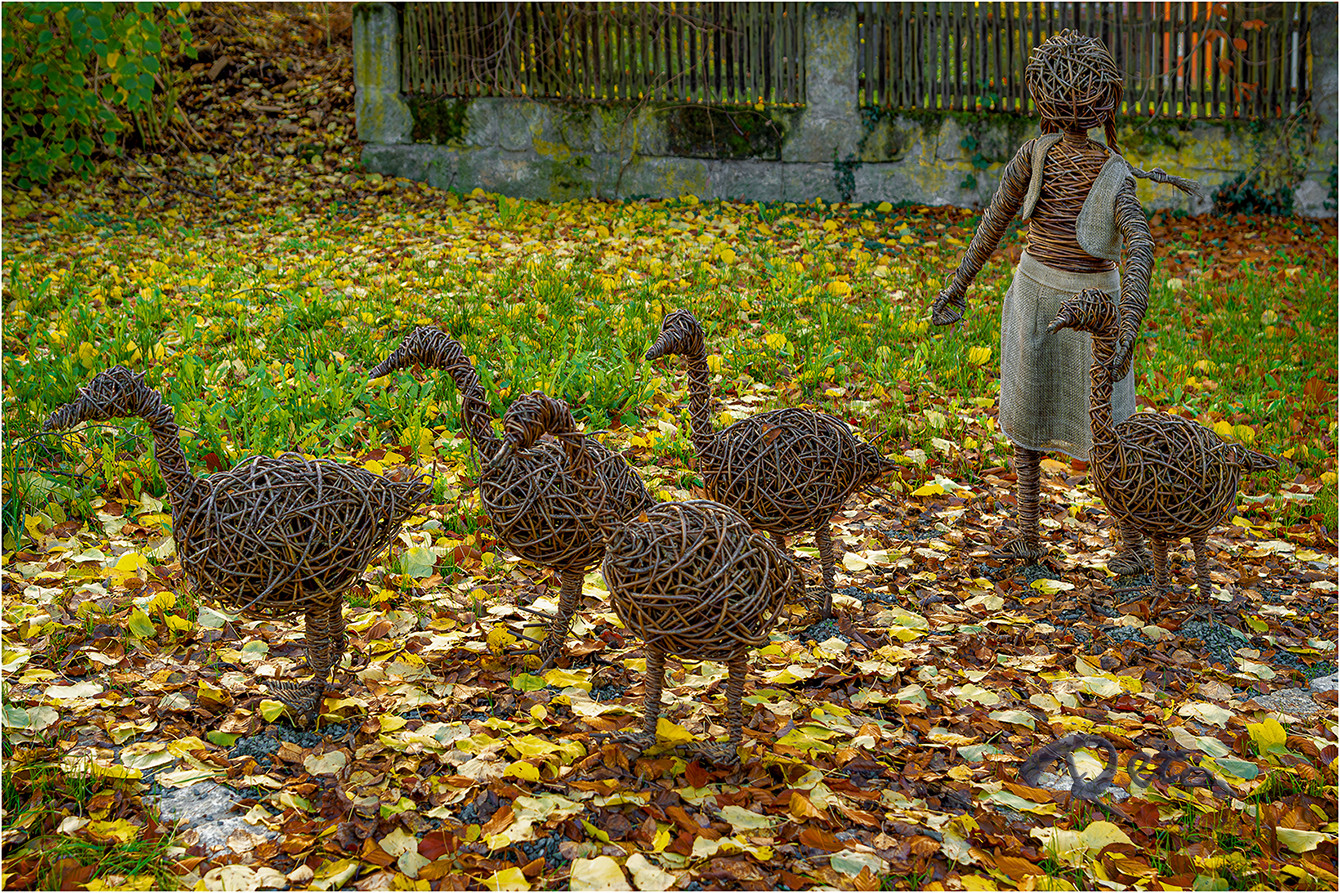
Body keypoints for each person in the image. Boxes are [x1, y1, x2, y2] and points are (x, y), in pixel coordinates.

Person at [930, 29, 1200, 572]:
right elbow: (1000, 222)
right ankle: (1046, 539)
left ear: (1042, 96)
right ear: (1106, 100)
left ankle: (1123, 545)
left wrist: (1125, 326)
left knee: (1109, 424)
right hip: (1043, 299)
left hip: (1085, 308)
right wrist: (955, 287)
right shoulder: (1049, 159)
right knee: (1046, 419)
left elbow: (997, 224)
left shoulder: (1097, 169)